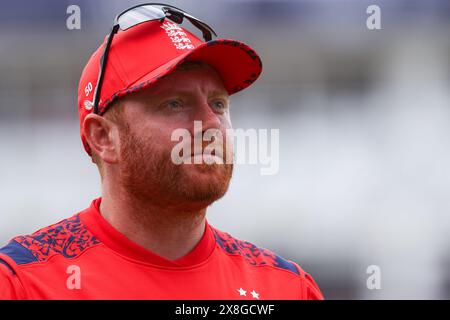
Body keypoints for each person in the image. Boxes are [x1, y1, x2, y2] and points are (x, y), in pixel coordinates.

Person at [0, 4, 323, 300]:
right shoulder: (23, 283)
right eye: (174, 104)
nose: (210, 124)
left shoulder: (285, 287)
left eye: (218, 104)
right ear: (103, 137)